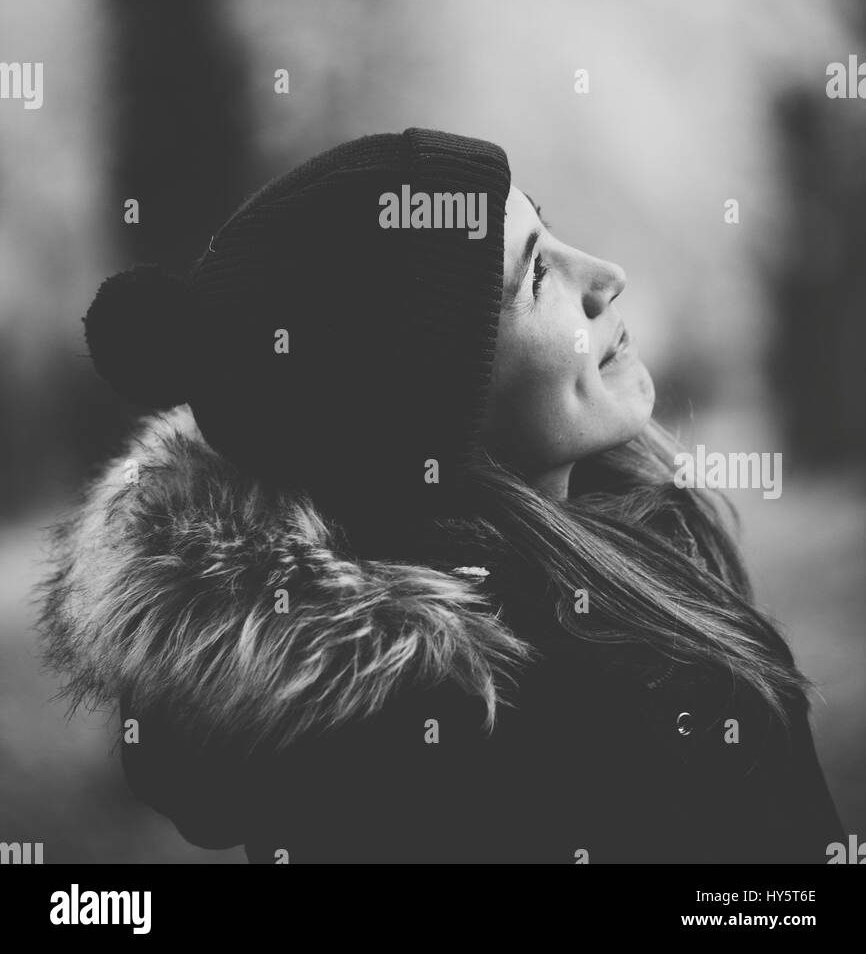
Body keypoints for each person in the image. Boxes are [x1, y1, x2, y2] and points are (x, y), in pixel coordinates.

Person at [40, 127, 844, 863]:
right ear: (427, 414)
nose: (604, 277)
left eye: (549, 229)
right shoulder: (525, 741)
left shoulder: (624, 560)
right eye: (534, 274)